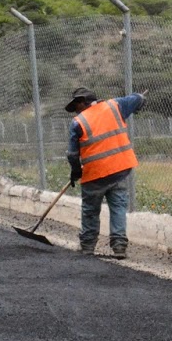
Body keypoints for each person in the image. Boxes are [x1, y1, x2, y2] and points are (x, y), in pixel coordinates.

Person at [65, 85, 145, 259]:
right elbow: (138, 97)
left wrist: (76, 171)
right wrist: (140, 102)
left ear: (83, 102)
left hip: (95, 175)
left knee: (90, 210)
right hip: (120, 169)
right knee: (118, 207)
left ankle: (87, 246)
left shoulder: (78, 122)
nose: (75, 112)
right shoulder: (115, 106)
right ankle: (119, 246)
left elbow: (72, 154)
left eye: (76, 107)